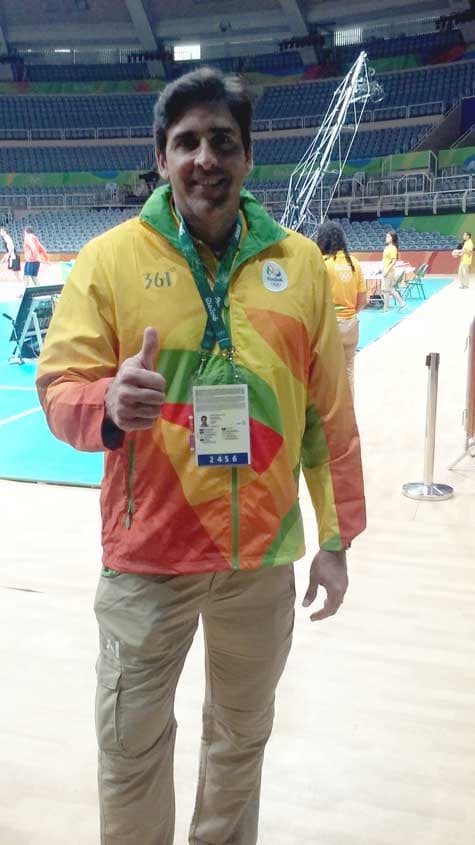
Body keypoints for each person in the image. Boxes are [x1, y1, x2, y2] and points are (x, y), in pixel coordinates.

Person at [36, 68, 366, 845]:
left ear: (248, 156)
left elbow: (328, 419)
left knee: (238, 741)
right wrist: (106, 406)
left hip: (259, 562)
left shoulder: (299, 268)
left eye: (222, 140)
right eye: (186, 142)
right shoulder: (110, 261)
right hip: (148, 558)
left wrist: (334, 539)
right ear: (161, 159)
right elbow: (58, 389)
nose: (204, 158)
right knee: (130, 752)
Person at [316, 220, 367, 397]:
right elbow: (362, 300)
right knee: (348, 371)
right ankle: (348, 415)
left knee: (327, 374)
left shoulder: (322, 263)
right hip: (352, 326)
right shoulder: (354, 263)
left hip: (331, 327)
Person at [381, 230, 406, 312]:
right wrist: (380, 269)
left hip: (389, 272)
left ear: (392, 238)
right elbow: (385, 260)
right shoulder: (387, 248)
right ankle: (402, 304)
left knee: (386, 290)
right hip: (385, 270)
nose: (386, 238)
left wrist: (387, 271)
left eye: (388, 236)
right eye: (386, 236)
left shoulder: (393, 248)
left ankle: (385, 309)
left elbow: (393, 261)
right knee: (390, 289)